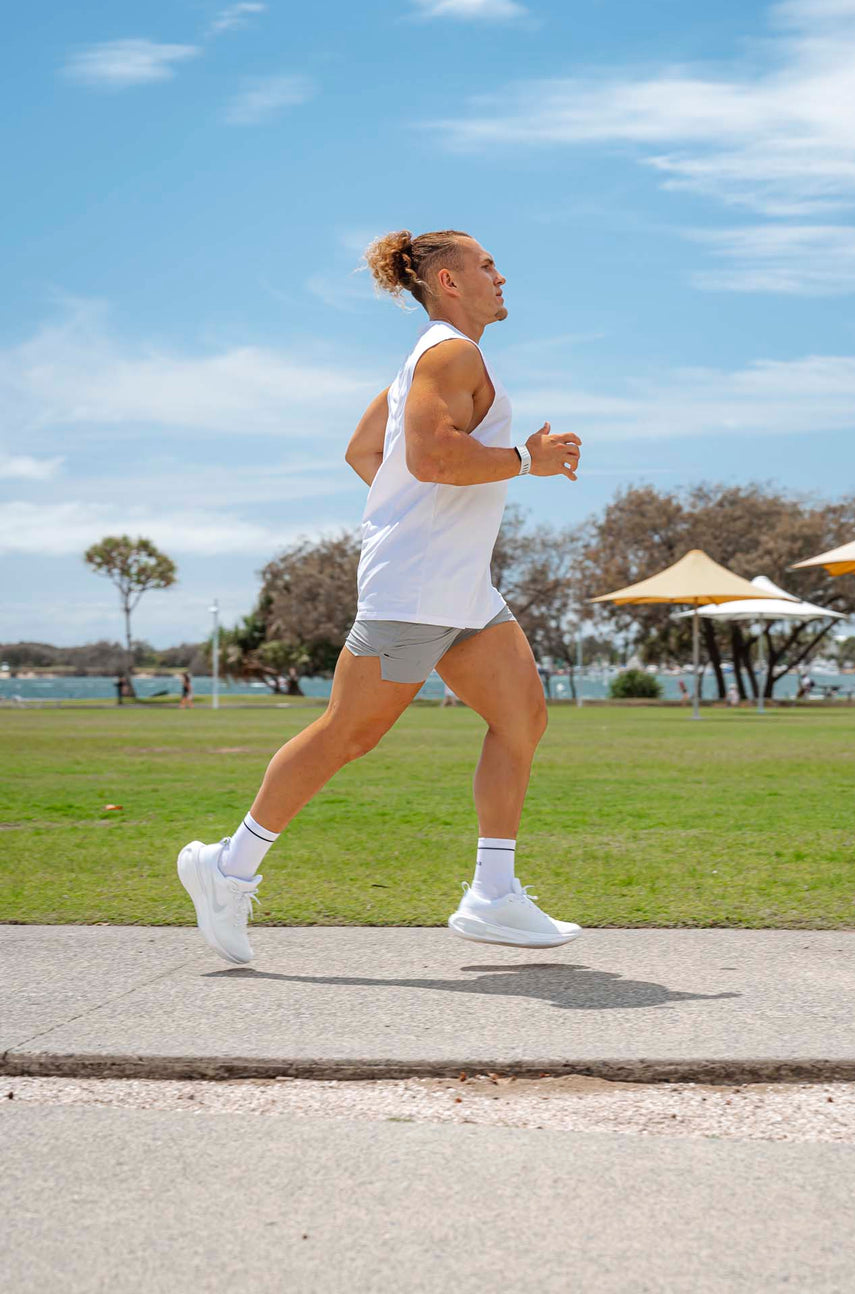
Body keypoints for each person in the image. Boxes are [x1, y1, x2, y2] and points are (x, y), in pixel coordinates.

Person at [178, 229, 583, 965]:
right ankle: (226, 868)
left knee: (522, 715)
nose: (501, 275)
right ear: (448, 282)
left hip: (461, 588)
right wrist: (528, 461)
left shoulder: (426, 361)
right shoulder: (449, 355)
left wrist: (419, 517)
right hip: (418, 589)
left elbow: (367, 453)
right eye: (486, 265)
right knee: (348, 735)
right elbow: (429, 457)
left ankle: (493, 893)